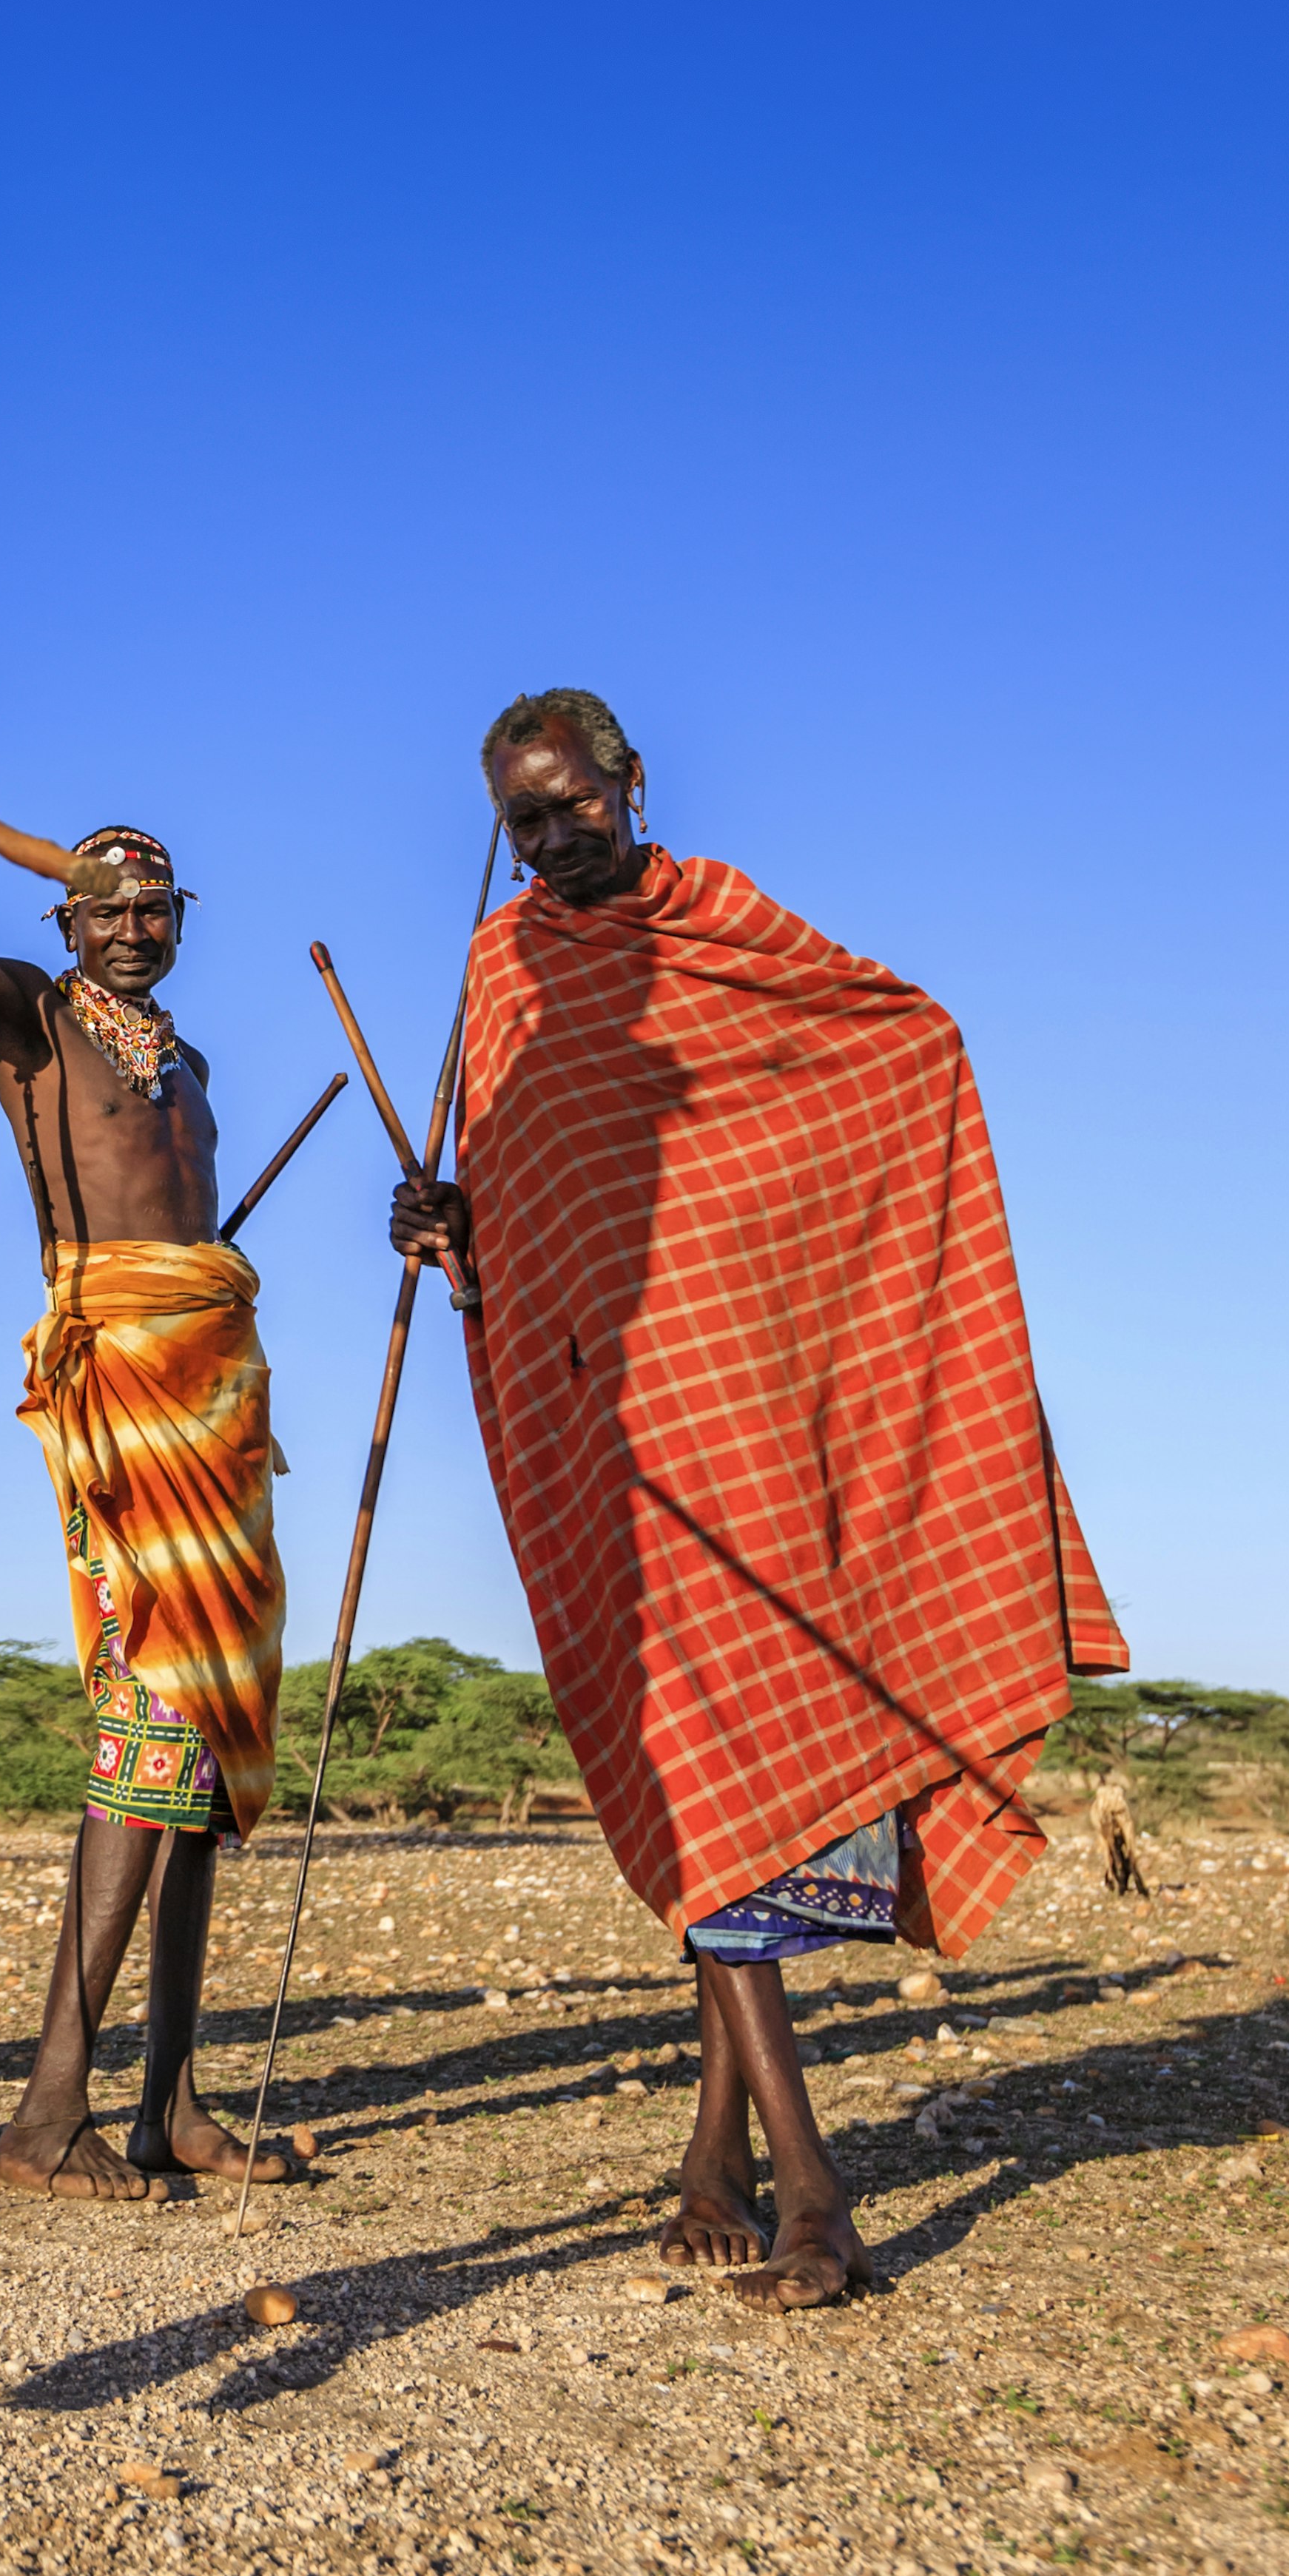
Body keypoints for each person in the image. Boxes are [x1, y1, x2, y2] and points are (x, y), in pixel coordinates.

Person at [393, 687, 1128, 2311]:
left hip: (755, 1410)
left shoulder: (721, 921)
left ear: (631, 782)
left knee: (737, 1783)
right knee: (697, 1771)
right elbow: (525, 1190)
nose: (555, 834)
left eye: (575, 802)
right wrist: (448, 1223)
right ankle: (780, 2176)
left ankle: (772, 2174)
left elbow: (891, 1047)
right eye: (525, 821)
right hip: (614, 1433)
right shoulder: (498, 968)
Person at [0, 633, 299, 2200]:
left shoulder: (187, 1064)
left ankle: (170, 2101)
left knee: (205, 1743)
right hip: (116, 1391)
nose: (131, 926)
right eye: (107, 905)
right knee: (147, 1724)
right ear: (66, 920)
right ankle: (47, 2113)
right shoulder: (34, 1020)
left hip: (219, 1394)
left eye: (154, 906)